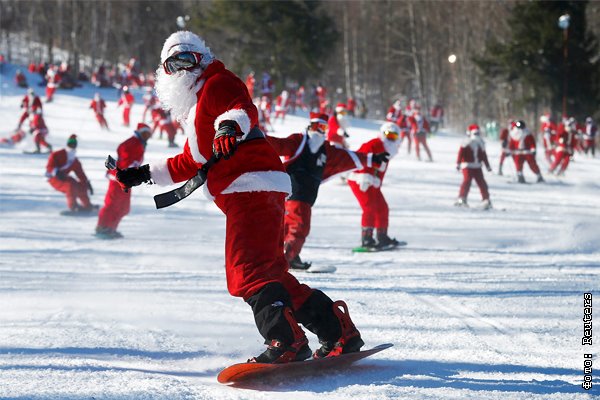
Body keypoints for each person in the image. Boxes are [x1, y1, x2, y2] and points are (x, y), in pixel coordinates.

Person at [114, 31, 364, 363]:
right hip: (257, 186)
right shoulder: (197, 107)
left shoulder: (218, 81)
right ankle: (337, 332)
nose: (181, 69)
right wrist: (143, 174)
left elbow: (240, 108)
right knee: (271, 273)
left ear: (202, 58)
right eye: (172, 64)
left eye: (187, 59)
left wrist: (229, 127)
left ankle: (285, 340)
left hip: (249, 185)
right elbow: (192, 161)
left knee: (246, 269)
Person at [266, 112, 388, 269]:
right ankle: (287, 259)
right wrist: (257, 137)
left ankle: (279, 258)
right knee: (299, 226)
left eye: (323, 128)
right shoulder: (299, 141)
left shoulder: (325, 150)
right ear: (309, 126)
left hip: (302, 196)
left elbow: (346, 157)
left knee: (286, 228)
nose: (319, 131)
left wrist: (371, 159)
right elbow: (279, 144)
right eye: (317, 126)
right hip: (296, 193)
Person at [347, 122, 402, 249]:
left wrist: (377, 182)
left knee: (382, 207)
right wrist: (365, 176)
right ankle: (367, 238)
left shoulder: (388, 149)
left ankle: (382, 236)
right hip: (359, 180)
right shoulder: (374, 144)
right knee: (369, 207)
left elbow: (380, 170)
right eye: (388, 135)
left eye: (393, 137)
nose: (390, 139)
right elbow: (363, 157)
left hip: (373, 182)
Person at [95, 123, 152, 239]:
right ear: (140, 132)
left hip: (127, 179)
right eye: (145, 133)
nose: (147, 136)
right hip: (119, 177)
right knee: (112, 204)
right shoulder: (132, 143)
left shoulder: (139, 143)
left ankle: (110, 228)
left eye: (149, 134)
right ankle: (102, 227)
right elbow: (125, 158)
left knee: (123, 207)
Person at [45, 134, 95, 212]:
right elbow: (49, 167)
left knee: (80, 186)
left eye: (74, 144)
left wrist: (86, 183)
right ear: (67, 144)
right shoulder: (57, 154)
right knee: (70, 185)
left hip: (64, 177)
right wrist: (56, 172)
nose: (72, 145)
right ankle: (73, 206)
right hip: (53, 178)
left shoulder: (75, 161)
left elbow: (81, 174)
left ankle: (87, 206)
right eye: (70, 144)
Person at [455, 124, 492, 209]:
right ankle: (462, 198)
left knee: (482, 182)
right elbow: (460, 154)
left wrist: (487, 166)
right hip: (467, 166)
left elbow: (483, 156)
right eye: (475, 134)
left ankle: (486, 199)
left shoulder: (480, 143)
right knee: (467, 181)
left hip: (477, 166)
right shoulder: (465, 143)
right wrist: (458, 163)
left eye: (478, 134)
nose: (477, 136)